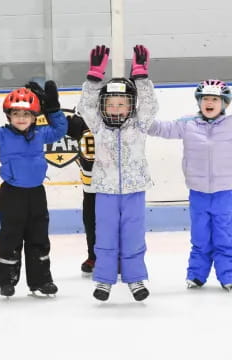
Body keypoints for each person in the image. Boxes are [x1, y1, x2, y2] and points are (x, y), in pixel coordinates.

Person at [77, 45, 158, 301]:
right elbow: (86, 105)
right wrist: (93, 78)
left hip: (134, 191)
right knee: (106, 236)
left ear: (131, 106)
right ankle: (104, 280)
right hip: (106, 191)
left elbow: (150, 105)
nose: (116, 109)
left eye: (122, 104)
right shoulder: (98, 126)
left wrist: (141, 78)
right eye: (110, 104)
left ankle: (135, 279)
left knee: (133, 236)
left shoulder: (139, 124)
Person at [0, 81, 67, 297]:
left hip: (36, 193)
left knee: (39, 237)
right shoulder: (2, 135)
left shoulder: (41, 134)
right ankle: (7, 280)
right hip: (12, 194)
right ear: (8, 116)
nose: (21, 118)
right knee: (10, 236)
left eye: (26, 114)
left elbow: (61, 130)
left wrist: (53, 107)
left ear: (35, 116)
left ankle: (41, 280)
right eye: (16, 113)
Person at [148, 79, 232, 291]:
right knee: (200, 235)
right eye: (205, 98)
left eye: (215, 99)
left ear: (225, 103)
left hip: (226, 191)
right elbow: (160, 128)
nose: (209, 102)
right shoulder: (188, 124)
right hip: (198, 192)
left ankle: (228, 275)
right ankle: (196, 275)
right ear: (199, 102)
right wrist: (139, 117)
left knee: (224, 235)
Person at [66, 108, 97, 275]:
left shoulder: (115, 118)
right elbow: (61, 126)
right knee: (90, 222)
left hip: (113, 187)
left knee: (112, 225)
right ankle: (94, 256)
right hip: (90, 186)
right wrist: (49, 106)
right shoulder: (81, 119)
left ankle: (117, 258)